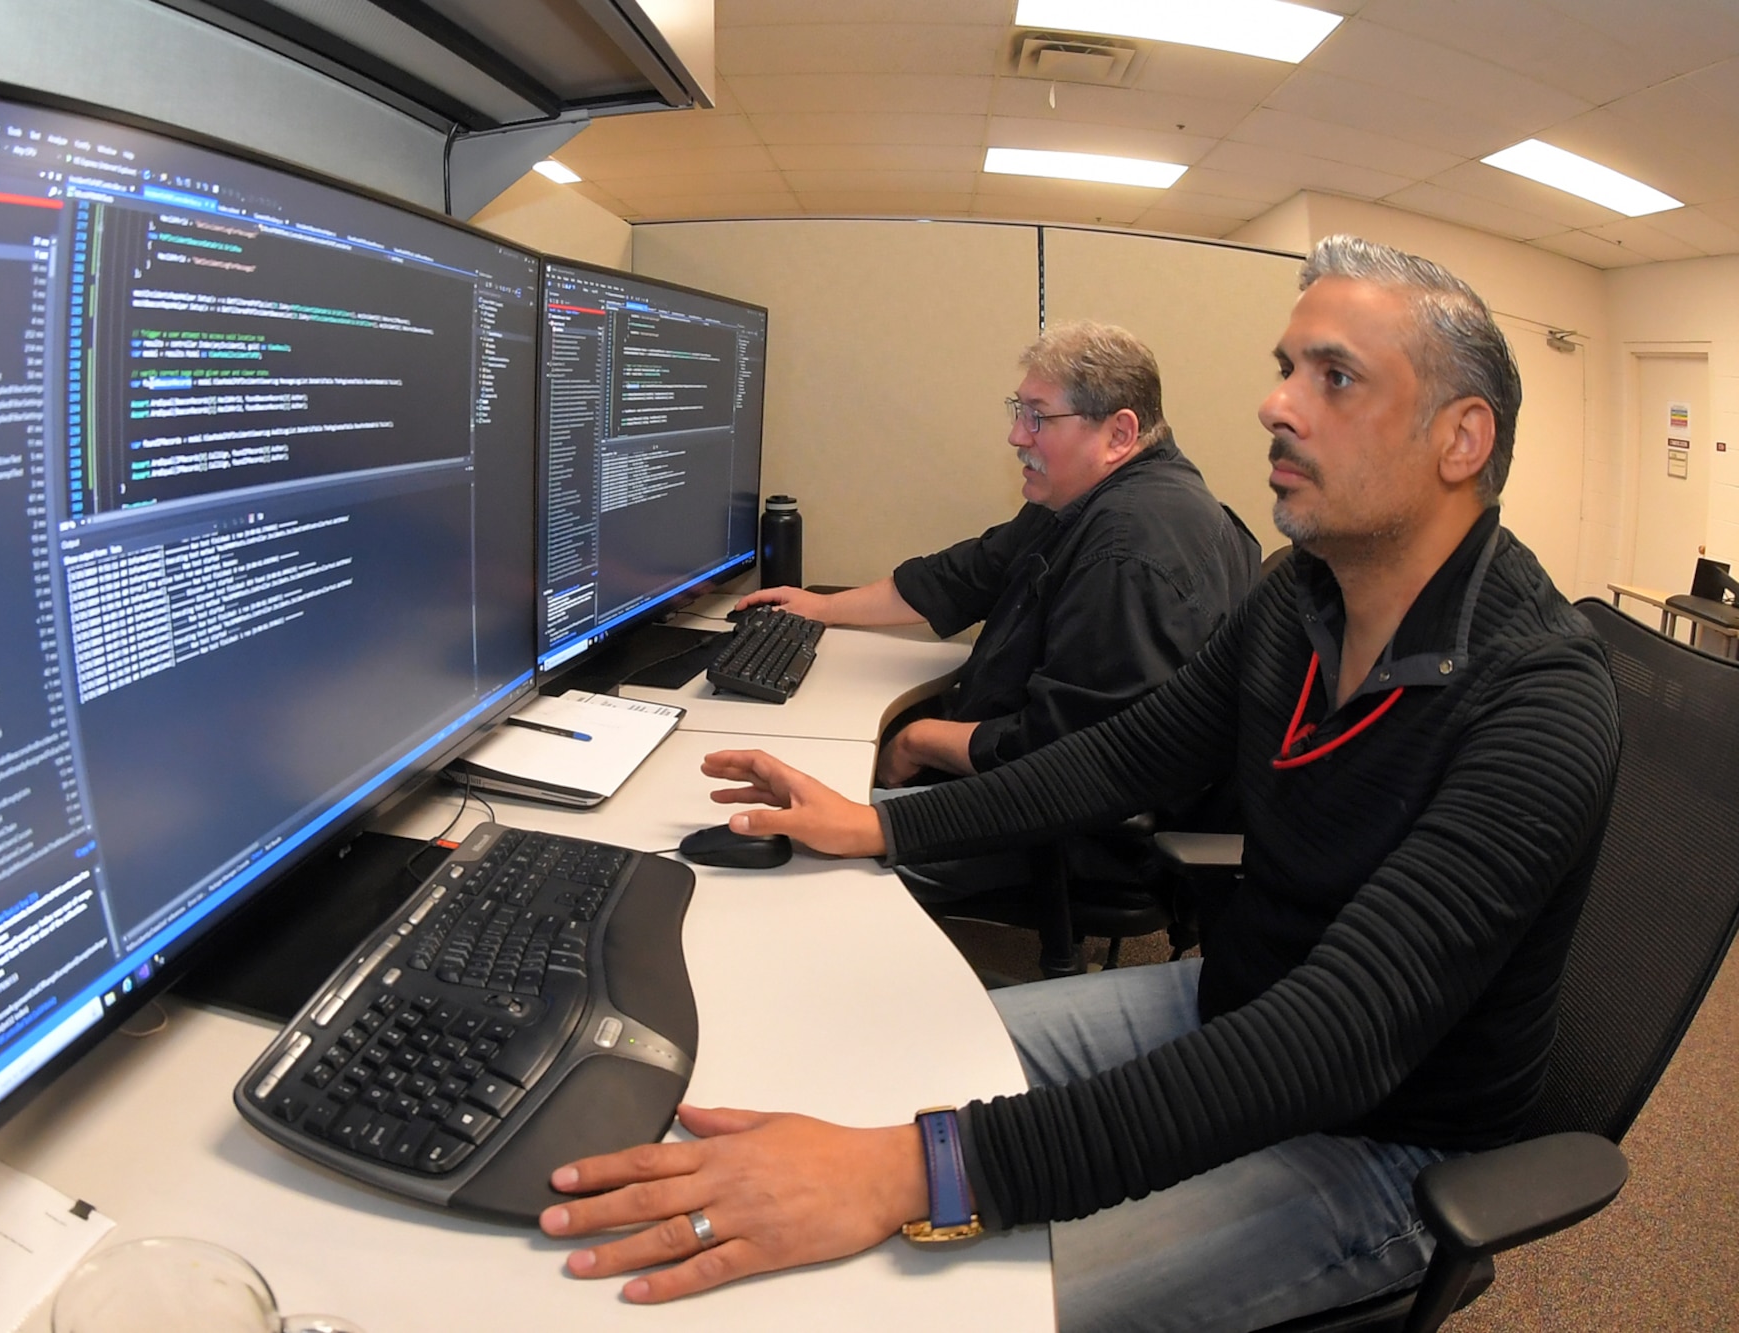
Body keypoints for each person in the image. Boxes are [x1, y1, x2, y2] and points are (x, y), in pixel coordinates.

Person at [534, 235, 1623, 1331]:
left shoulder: (1539, 697)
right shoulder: (1300, 596)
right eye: (1284, 367)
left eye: (1330, 377)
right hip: (1225, 1003)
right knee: (860, 1074)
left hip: (1383, 1136)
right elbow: (1124, 755)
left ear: (1459, 438)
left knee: (921, 1292)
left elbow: (1338, 1034)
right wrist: (877, 823)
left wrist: (915, 1175)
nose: (1273, 404)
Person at [738, 320, 1257, 902]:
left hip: (1070, 832)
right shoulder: (1083, 495)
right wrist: (823, 607)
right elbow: (964, 576)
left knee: (781, 854)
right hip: (1034, 784)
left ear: (1119, 433)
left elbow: (1069, 761)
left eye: (1038, 416)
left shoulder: (1131, 548)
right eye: (1018, 410)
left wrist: (921, 740)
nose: (1016, 435)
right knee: (808, 788)